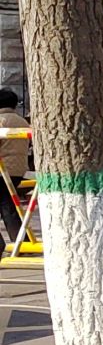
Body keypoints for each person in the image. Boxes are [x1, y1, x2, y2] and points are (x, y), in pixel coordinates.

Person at [0, 89, 27, 240]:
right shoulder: (22, 121)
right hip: (18, 169)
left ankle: (19, 240)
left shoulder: (1, 120)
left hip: (3, 170)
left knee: (7, 207)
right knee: (8, 205)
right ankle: (22, 239)